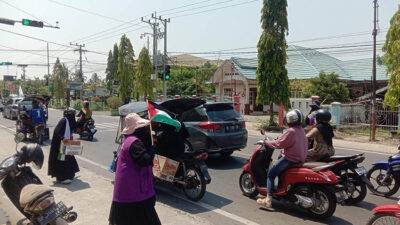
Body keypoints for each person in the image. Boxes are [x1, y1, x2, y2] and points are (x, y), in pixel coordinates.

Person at [109, 113, 161, 225]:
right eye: (142, 127)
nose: (145, 129)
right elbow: (145, 160)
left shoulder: (131, 140)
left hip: (134, 189)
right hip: (133, 192)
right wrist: (152, 147)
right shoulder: (134, 142)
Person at [257, 109, 308, 208]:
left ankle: (268, 199)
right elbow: (283, 140)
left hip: (290, 159)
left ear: (289, 119)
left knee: (271, 174)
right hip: (300, 158)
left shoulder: (291, 131)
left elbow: (279, 144)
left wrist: (265, 142)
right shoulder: (301, 130)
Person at [48, 108, 80, 184]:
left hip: (66, 144)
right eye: (72, 115)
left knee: (69, 159)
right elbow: (57, 131)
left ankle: (69, 175)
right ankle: (62, 177)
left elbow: (75, 129)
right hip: (60, 146)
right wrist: (63, 138)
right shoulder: (64, 121)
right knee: (62, 160)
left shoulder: (69, 121)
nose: (73, 117)